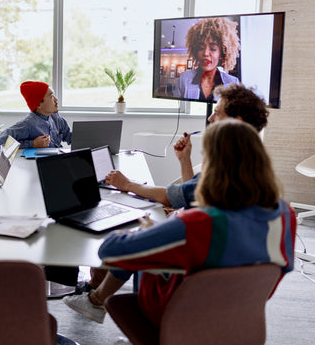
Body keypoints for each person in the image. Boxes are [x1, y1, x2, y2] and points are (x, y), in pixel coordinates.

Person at [64, 119, 296, 325]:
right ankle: (96, 300)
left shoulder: (197, 224)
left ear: (211, 168)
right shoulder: (285, 214)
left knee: (145, 249)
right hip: (242, 319)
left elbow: (110, 251)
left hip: (178, 316)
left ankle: (96, 300)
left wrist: (147, 235)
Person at [107, 84, 269, 210]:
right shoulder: (252, 163)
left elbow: (169, 198)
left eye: (217, 113)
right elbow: (192, 196)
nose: (211, 118)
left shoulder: (227, 168)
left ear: (236, 122)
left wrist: (127, 184)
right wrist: (185, 160)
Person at [175, 17, 241, 101]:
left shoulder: (233, 83)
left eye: (213, 49)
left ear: (222, 52)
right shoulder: (184, 78)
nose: (205, 53)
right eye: (201, 48)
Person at [0, 81, 72, 148]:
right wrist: (32, 144)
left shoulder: (55, 116)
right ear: (38, 104)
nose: (56, 99)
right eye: (51, 96)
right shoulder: (28, 124)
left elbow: (70, 137)